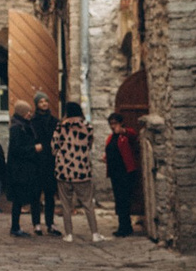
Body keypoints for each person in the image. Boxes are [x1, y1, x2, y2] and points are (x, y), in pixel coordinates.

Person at [54, 100, 103, 242]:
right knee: (88, 203)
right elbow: (89, 145)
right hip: (81, 170)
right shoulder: (87, 126)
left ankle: (69, 234)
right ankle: (95, 233)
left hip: (63, 170)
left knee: (66, 204)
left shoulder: (60, 127)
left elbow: (53, 147)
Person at [5, 99, 48, 238]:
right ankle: (15, 227)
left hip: (27, 169)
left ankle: (23, 225)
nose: (30, 114)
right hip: (20, 170)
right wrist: (33, 149)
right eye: (28, 111)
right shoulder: (17, 128)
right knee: (18, 199)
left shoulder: (25, 125)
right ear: (22, 113)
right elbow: (17, 149)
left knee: (27, 197)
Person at [105, 112, 143, 236]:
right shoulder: (111, 137)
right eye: (111, 124)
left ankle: (125, 227)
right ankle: (123, 226)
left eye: (115, 123)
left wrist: (122, 131)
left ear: (121, 123)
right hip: (115, 172)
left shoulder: (126, 134)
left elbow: (133, 135)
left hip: (125, 172)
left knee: (124, 200)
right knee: (119, 200)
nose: (113, 126)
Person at [30, 92, 60, 233]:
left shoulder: (54, 121)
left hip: (50, 160)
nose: (44, 104)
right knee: (35, 194)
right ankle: (36, 223)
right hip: (37, 161)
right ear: (37, 104)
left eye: (46, 101)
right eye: (41, 102)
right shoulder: (33, 121)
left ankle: (50, 223)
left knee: (50, 194)